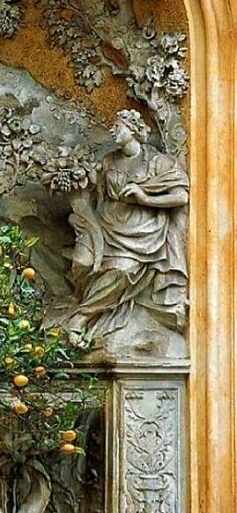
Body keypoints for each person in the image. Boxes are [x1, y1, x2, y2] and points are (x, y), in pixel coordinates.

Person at [67, 109, 188, 341]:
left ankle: (81, 317)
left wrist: (145, 198)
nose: (113, 131)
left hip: (141, 232)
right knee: (81, 263)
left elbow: (181, 197)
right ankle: (82, 299)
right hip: (105, 225)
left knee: (121, 272)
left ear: (133, 130)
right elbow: (94, 193)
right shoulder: (109, 160)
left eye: (118, 127)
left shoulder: (158, 162)